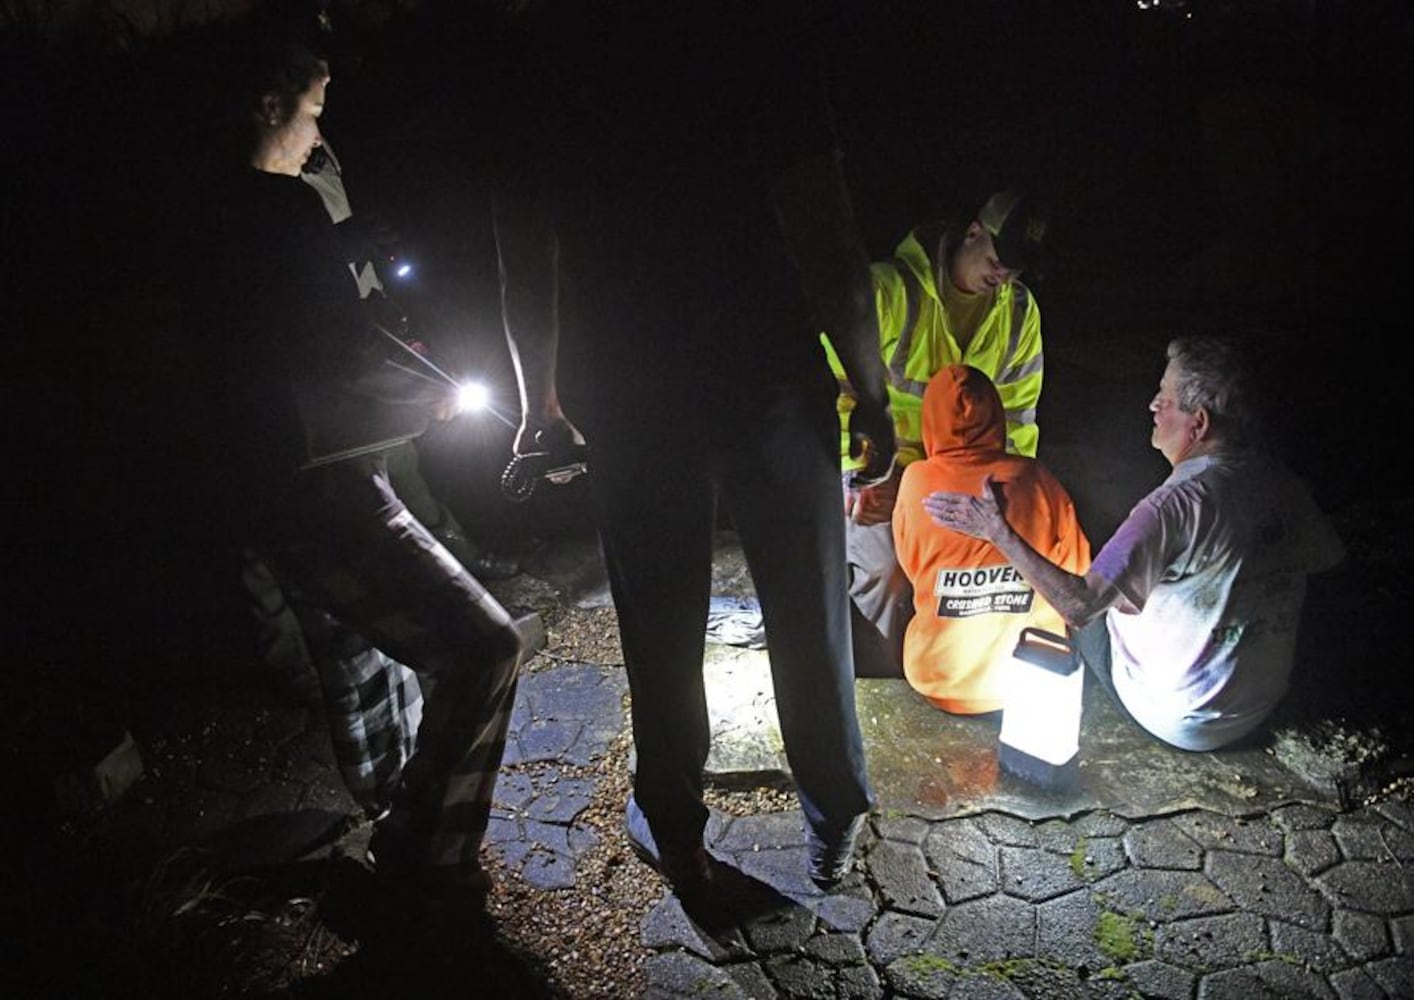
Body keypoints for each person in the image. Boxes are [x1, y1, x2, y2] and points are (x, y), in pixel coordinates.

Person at [488, 2, 896, 893]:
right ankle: (833, 810)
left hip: (635, 388)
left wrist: (540, 402)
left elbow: (527, 258)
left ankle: (673, 821)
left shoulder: (543, 49)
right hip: (768, 373)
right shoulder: (758, 30)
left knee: (661, 619)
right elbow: (825, 231)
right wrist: (870, 389)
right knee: (807, 602)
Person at [196, 39, 525, 901]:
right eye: (312, 112)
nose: (319, 134)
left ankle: (393, 823)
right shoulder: (276, 211)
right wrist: (437, 396)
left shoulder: (201, 211)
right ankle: (425, 857)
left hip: (269, 488)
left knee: (364, 661)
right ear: (269, 106)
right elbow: (337, 351)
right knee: (482, 646)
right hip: (319, 484)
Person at [926, 336, 1345, 751]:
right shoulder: (1285, 486)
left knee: (1076, 613)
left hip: (1178, 716)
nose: (1153, 406)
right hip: (1256, 706)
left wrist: (997, 532)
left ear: (1197, 423)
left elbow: (1080, 606)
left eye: (1164, 398)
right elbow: (1327, 560)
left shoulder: (1172, 508)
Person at [823, 190, 1049, 676]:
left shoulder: (1018, 312)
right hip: (884, 470)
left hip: (964, 483)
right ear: (972, 232)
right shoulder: (886, 292)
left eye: (1015, 269)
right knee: (886, 573)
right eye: (996, 259)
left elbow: (1019, 415)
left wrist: (1011, 498)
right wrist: (853, 475)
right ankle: (882, 683)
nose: (1003, 276)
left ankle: (960, 674)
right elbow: (832, 391)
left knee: (988, 569)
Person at [893, 365, 1090, 714]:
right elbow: (1078, 573)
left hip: (939, 677)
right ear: (998, 417)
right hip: (1033, 674)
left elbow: (912, 569)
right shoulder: (1038, 479)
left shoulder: (916, 482)